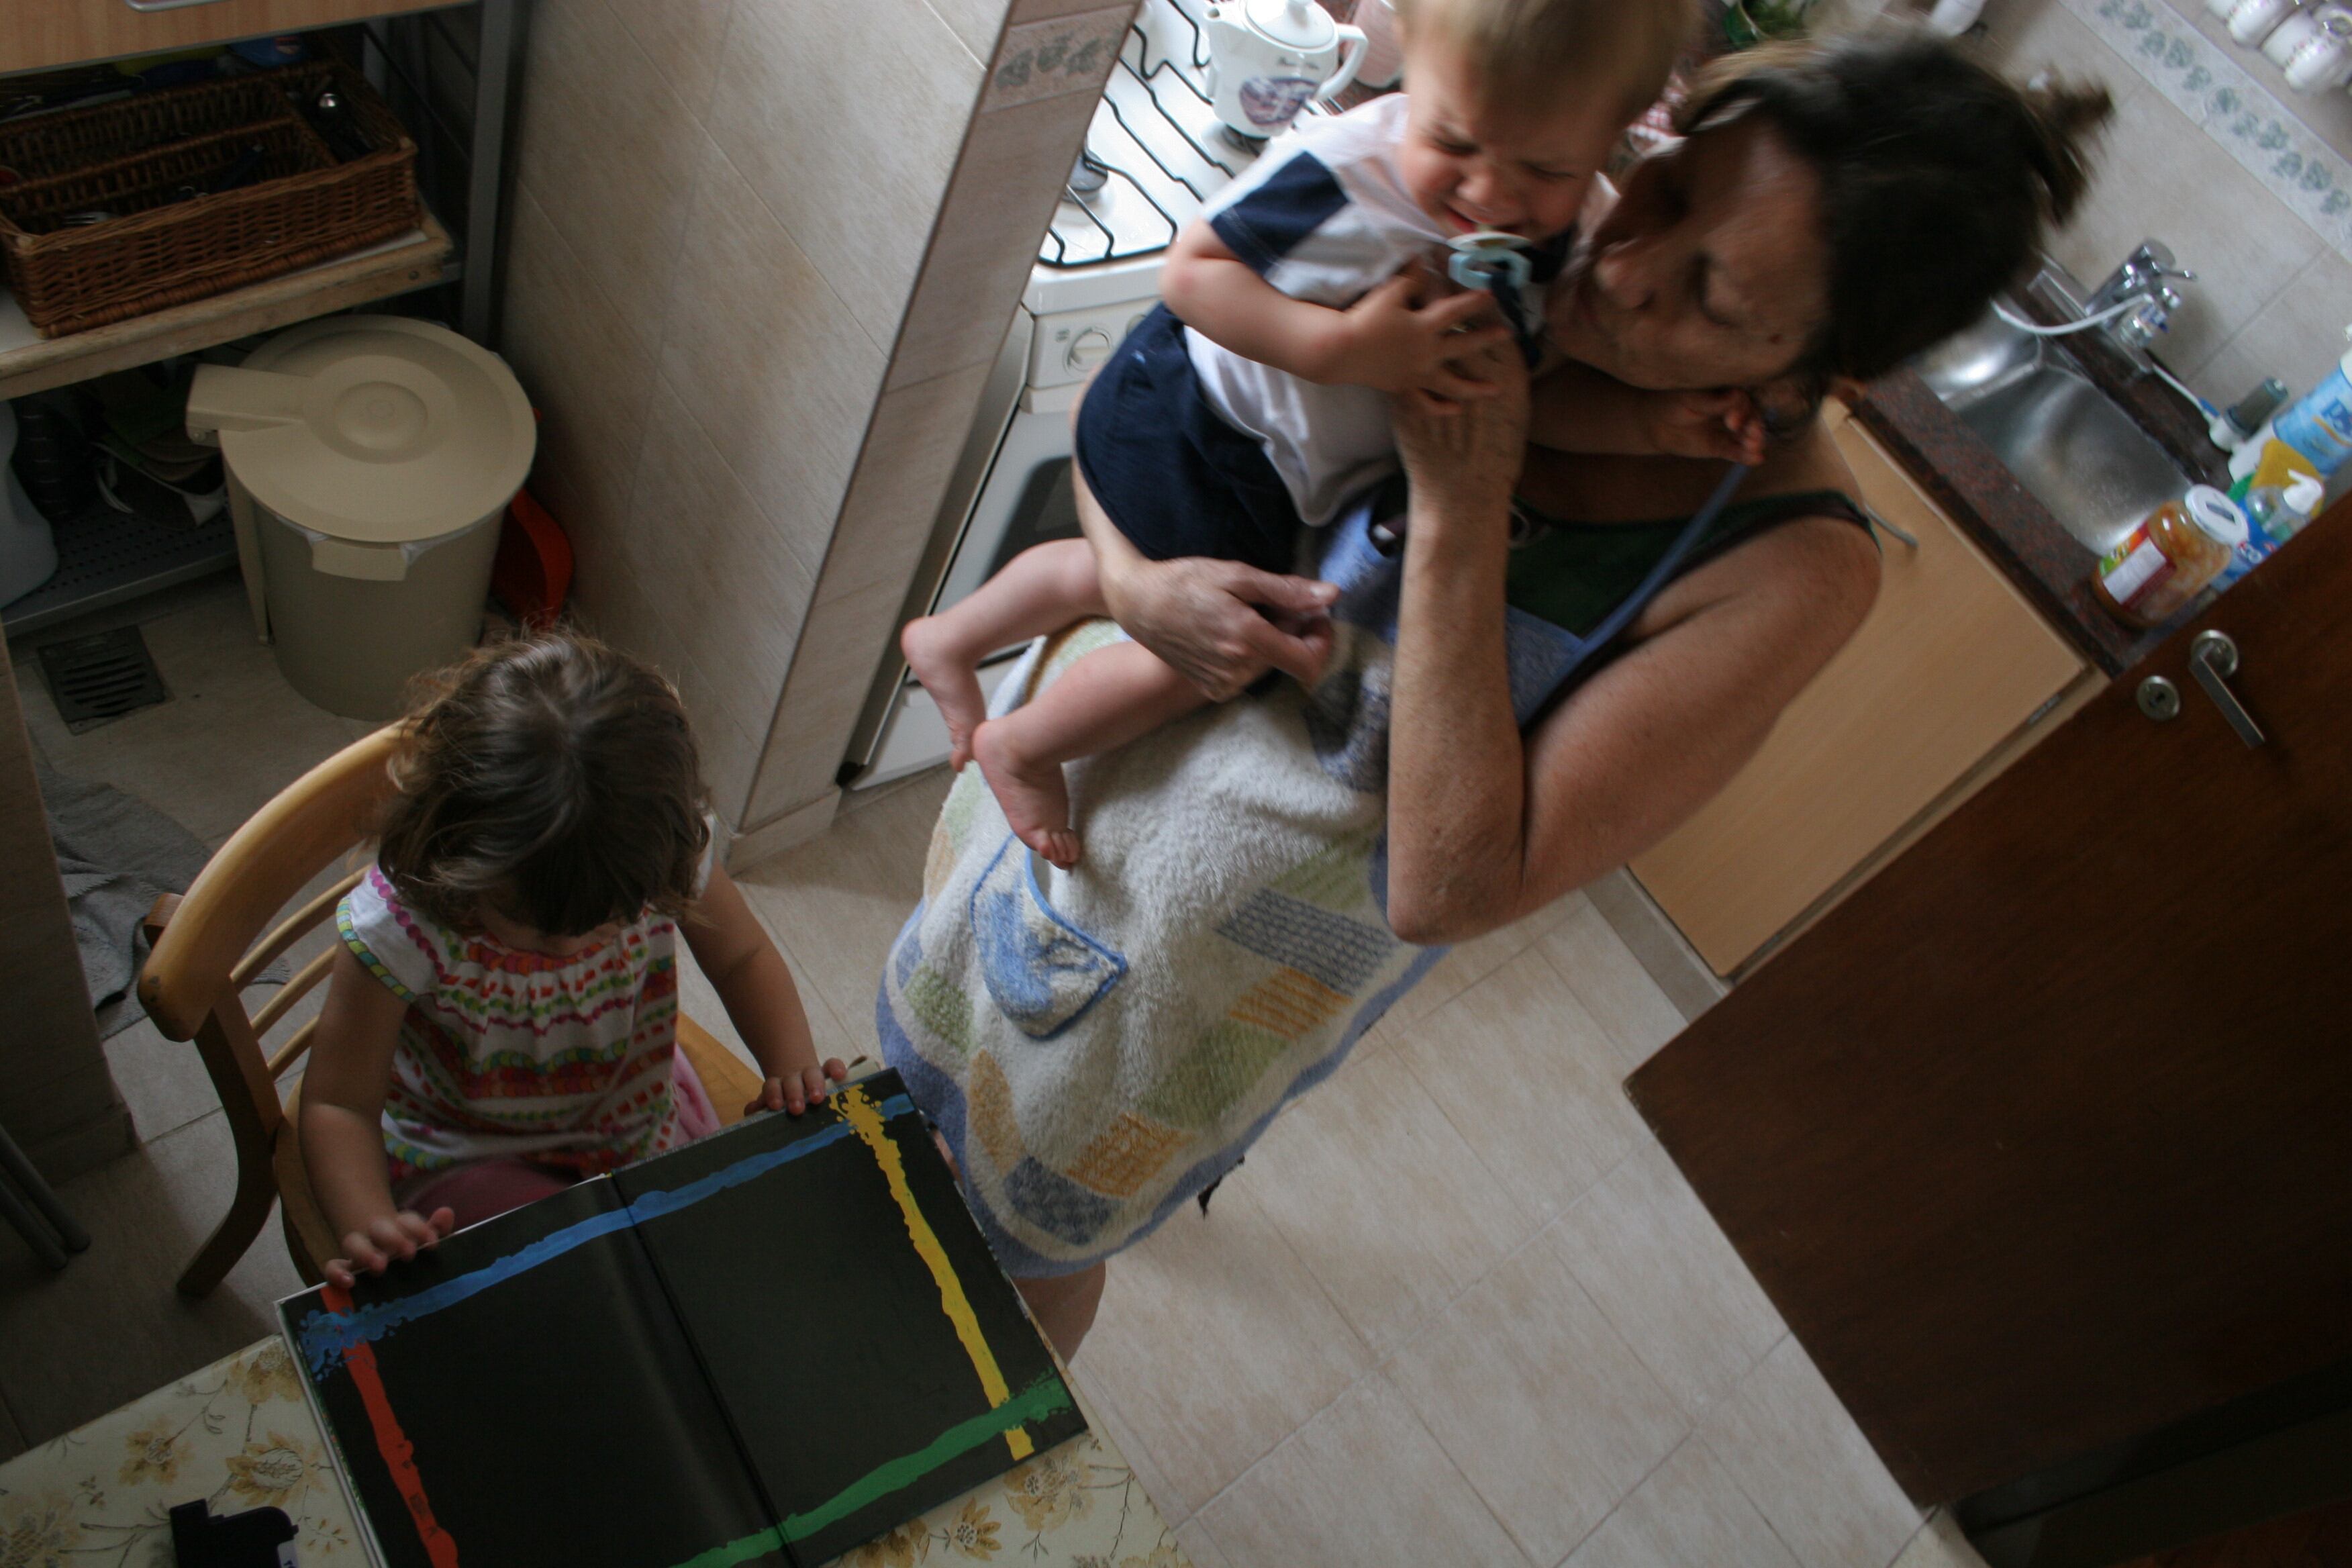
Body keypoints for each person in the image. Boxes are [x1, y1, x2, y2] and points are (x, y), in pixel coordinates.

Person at [881, 31, 2111, 1359]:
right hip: (1059, 799)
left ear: (1821, 375)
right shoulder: (1518, 228)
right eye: (1667, 185)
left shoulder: (1793, 568)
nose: (1622, 266)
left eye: (1708, 293)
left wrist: (1463, 503)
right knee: (898, 1108)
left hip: (1173, 989)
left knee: (1023, 1254)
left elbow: (1455, 887)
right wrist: (1132, 586)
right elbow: (1176, 399)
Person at [900, 0, 1725, 869]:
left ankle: (953, 635)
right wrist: (1343, 349)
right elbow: (1193, 273)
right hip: (1201, 416)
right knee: (1223, 652)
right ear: (1414, 69)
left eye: (1546, 167)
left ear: (1611, 140)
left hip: (1270, 461)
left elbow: (1524, 395)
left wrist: (1652, 424)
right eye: (1453, 140)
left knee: (1126, 567)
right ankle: (1024, 746)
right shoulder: (1353, 170)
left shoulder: (1570, 238)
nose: (1489, 194)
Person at [303, 633, 845, 1289]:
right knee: (568, 1293)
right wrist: (368, 1222)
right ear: (455, 849)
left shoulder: (657, 851)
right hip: (469, 1151)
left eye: (601, 925)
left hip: (628, 1114)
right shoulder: (402, 926)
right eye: (528, 926)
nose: (566, 948)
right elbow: (338, 1103)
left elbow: (743, 958)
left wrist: (790, 1067)